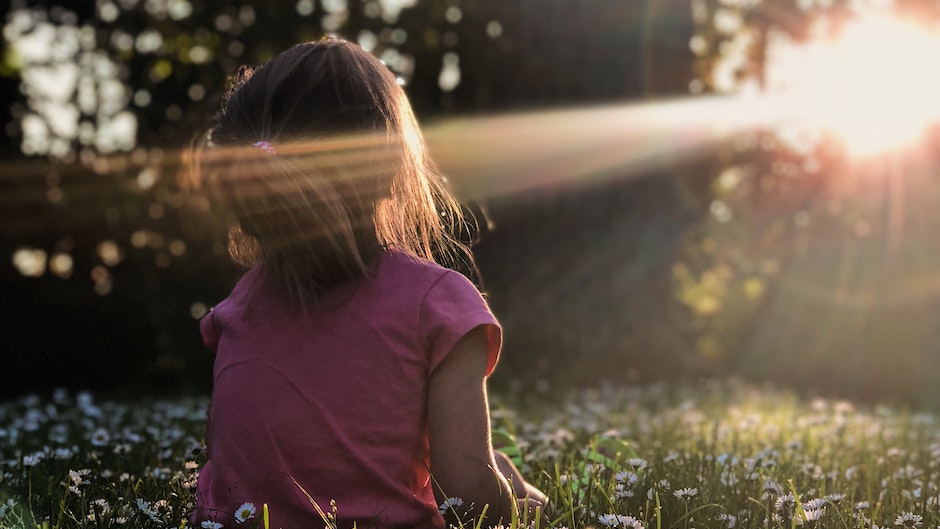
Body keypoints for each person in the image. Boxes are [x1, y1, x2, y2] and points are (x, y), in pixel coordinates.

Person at [189, 38, 546, 529]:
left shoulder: (238, 308)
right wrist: (518, 503)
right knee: (497, 475)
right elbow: (466, 493)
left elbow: (238, 468)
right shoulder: (437, 305)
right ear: (387, 170)